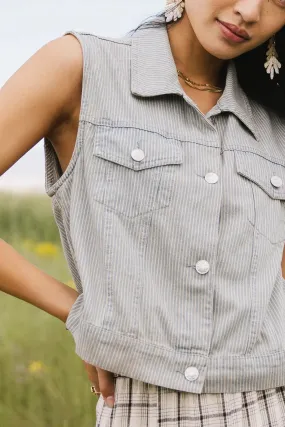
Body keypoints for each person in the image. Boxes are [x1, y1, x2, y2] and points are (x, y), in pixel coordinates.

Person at [1, 0, 285, 425]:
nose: (248, 10)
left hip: (269, 403)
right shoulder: (81, 67)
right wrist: (79, 313)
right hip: (140, 407)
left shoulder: (275, 115)